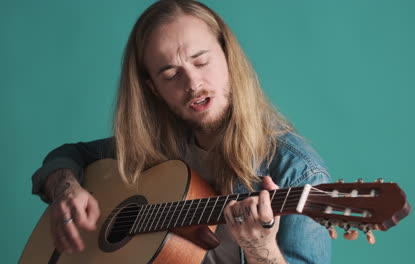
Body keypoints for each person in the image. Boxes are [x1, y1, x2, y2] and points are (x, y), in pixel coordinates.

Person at [31, 0, 332, 263]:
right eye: (171, 74)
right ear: (153, 88)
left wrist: (260, 247)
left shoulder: (298, 173)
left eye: (201, 61)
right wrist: (65, 189)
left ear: (228, 57)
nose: (193, 83)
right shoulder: (157, 149)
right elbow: (69, 155)